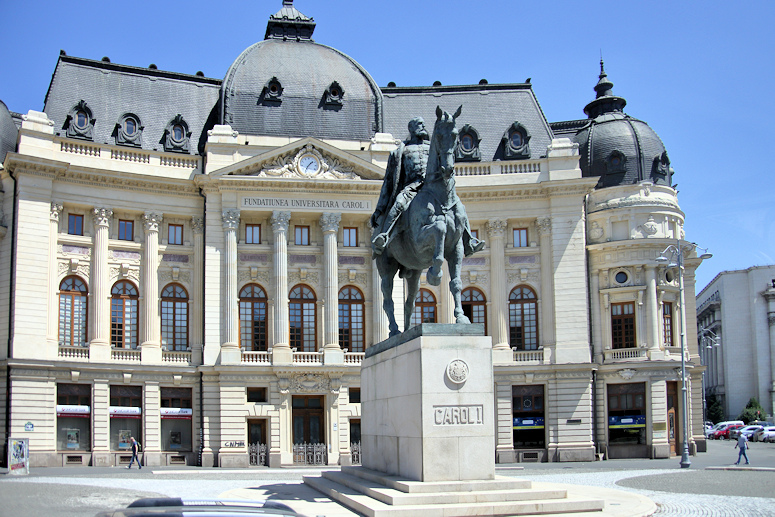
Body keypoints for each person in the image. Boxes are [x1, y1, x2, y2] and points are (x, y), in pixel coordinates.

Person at [371, 116, 483, 257]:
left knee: (459, 206)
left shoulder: (433, 147)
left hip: (433, 187)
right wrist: (379, 209)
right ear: (411, 128)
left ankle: (469, 240)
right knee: (398, 203)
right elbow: (388, 182)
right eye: (419, 124)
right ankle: (384, 236)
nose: (423, 126)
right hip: (411, 187)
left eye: (423, 124)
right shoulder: (401, 151)